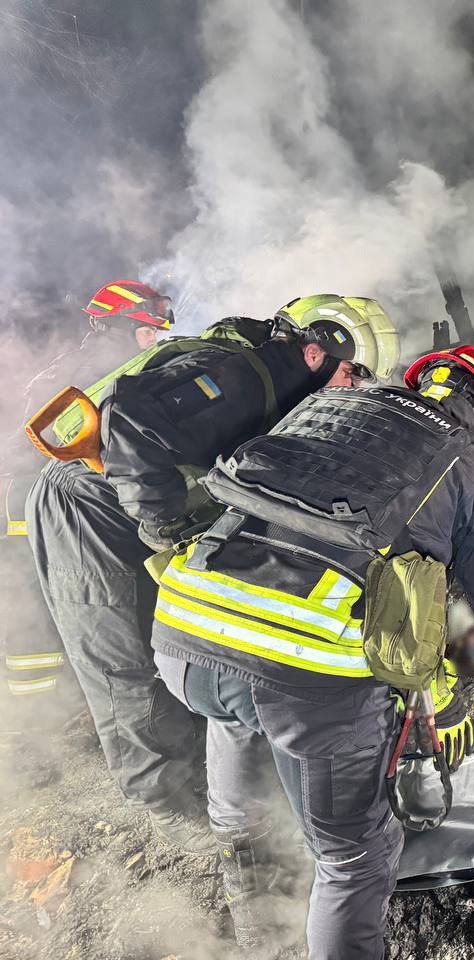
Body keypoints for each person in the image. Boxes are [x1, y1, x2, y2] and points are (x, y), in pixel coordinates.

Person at [148, 344, 474, 959]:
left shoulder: (325, 406)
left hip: (185, 628)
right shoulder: (470, 465)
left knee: (240, 778)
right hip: (303, 673)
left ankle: (258, 937)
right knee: (354, 857)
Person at [24, 294, 397, 855]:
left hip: (127, 503)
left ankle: (204, 773)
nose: (352, 388)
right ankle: (169, 807)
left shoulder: (273, 381)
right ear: (316, 351)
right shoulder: (240, 373)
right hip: (87, 505)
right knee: (124, 659)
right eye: (353, 373)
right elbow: (128, 423)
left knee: (178, 638)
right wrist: (166, 527)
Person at [2, 282, 172, 710]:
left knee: (74, 596)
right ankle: (33, 717)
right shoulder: (92, 370)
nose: (153, 340)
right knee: (37, 605)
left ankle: (67, 703)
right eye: (146, 331)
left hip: (56, 494)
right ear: (117, 328)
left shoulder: (108, 365)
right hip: (33, 498)